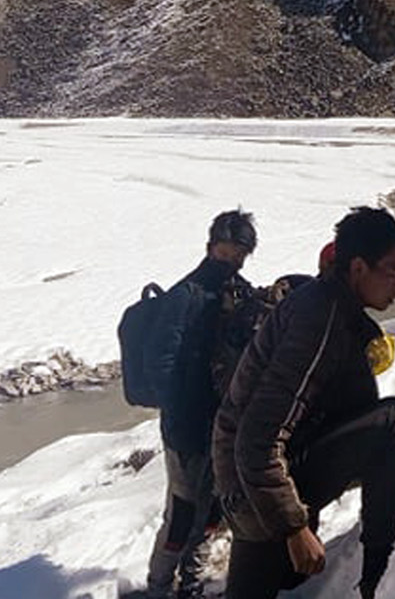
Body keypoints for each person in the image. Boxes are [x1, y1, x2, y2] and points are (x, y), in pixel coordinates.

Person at [212, 206, 395, 599]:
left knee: (283, 580)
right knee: (394, 422)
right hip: (252, 483)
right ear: (358, 268)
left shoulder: (335, 310)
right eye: (392, 271)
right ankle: (377, 577)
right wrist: (293, 528)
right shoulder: (318, 320)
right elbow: (256, 441)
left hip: (260, 477)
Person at [134, 209, 260, 599]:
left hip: (222, 425)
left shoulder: (242, 294)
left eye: (238, 255)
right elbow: (159, 362)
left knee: (213, 511)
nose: (231, 261)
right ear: (210, 247)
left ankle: (192, 581)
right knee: (183, 514)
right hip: (187, 428)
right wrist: (183, 412)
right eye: (225, 253)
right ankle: (158, 587)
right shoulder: (184, 297)